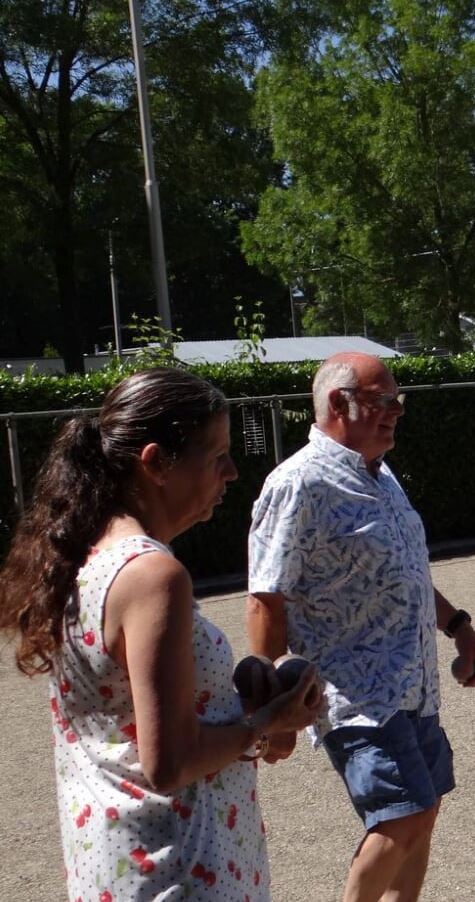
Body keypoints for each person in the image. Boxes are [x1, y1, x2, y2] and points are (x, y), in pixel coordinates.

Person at [0, 368, 321, 901]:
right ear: (156, 463)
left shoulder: (84, 557)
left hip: (117, 864)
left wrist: (236, 697)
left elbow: (123, 720)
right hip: (181, 868)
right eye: (217, 455)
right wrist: (269, 722)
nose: (233, 472)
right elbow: (168, 761)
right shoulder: (154, 578)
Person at [247, 353, 475, 902]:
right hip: (355, 693)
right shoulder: (298, 484)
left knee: (423, 813)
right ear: (339, 403)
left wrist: (457, 626)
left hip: (413, 683)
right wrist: (276, 712)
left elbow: (405, 571)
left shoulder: (380, 473)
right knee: (403, 815)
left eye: (398, 402)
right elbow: (266, 599)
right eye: (385, 401)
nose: (397, 413)